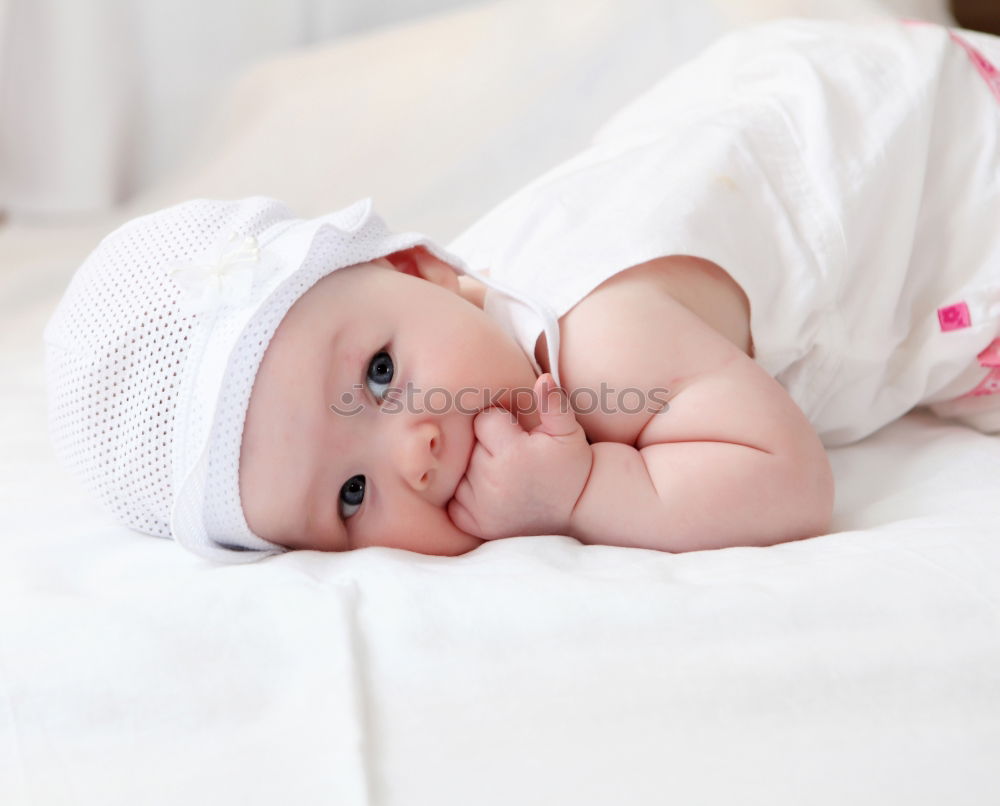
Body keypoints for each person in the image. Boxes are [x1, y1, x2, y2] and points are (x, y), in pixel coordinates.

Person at [44, 17, 1000, 563]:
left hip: (934, 153)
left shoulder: (600, 339)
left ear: (426, 270)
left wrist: (588, 489)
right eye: (349, 495)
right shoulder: (464, 321)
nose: (414, 454)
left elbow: (789, 478)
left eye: (379, 374)